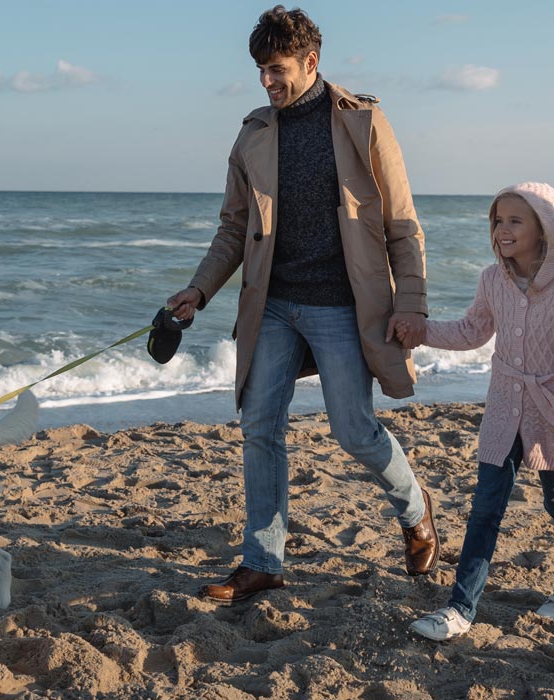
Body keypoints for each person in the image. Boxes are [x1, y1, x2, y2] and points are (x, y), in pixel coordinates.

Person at [165, 5, 436, 605]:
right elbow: (234, 229)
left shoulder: (363, 123)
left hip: (344, 305)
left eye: (278, 68)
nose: (268, 81)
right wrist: (198, 289)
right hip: (275, 305)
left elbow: (403, 225)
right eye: (262, 70)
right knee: (259, 424)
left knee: (354, 429)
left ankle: (415, 507)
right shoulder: (254, 133)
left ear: (311, 63)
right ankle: (263, 561)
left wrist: (410, 303)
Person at [399, 183, 554, 641]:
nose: (502, 229)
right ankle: (460, 608)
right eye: (497, 220)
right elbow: (472, 331)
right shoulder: (492, 279)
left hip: (552, 409)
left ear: (544, 227)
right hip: (504, 404)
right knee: (486, 507)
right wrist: (421, 330)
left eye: (515, 220)